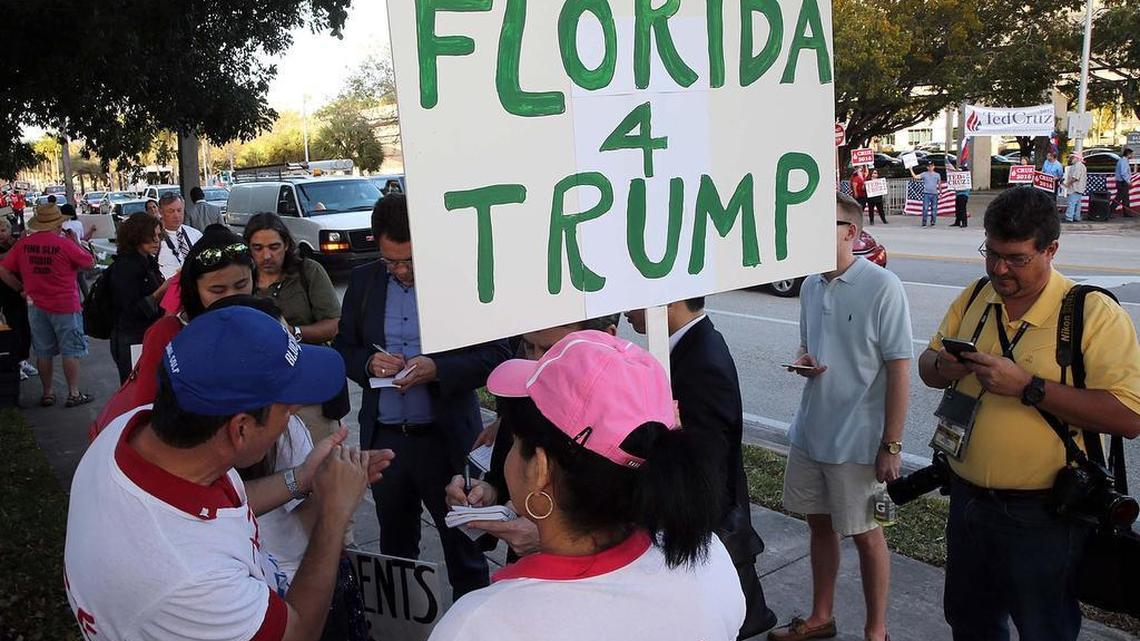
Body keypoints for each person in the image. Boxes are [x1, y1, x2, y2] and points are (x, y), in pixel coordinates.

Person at [64, 306, 396, 641]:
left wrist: (303, 477)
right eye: (287, 407)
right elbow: (296, 632)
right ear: (240, 429)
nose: (294, 413)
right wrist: (334, 515)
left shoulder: (131, 434)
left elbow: (226, 505)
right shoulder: (190, 576)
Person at [917, 186, 1140, 641]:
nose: (1000, 269)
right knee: (970, 622)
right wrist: (946, 365)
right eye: (992, 253)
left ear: (1050, 249)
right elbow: (926, 367)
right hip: (967, 502)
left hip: (1044, 517)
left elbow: (1128, 417)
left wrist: (1029, 387)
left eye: (1016, 259)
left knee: (1045, 628)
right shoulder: (977, 295)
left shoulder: (1090, 312)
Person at [429, 330, 746, 641]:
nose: (507, 454)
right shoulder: (709, 560)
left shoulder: (479, 625)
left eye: (513, 442)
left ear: (540, 469)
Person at [334, 193, 511, 600]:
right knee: (397, 556)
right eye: (390, 261)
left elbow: (498, 353)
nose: (400, 270)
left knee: (465, 551)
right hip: (387, 441)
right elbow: (344, 349)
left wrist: (439, 369)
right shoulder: (363, 283)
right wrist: (367, 365)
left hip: (445, 439)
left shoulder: (460, 281)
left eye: (409, 261)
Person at [771, 192, 912, 641]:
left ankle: (876, 631)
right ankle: (821, 616)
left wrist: (891, 443)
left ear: (850, 231)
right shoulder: (811, 284)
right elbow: (807, 344)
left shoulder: (882, 286)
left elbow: (899, 370)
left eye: (822, 224)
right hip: (810, 431)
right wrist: (804, 360)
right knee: (818, 523)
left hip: (859, 441)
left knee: (867, 533)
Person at [623, 299, 778, 638]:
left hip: (704, 527)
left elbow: (711, 464)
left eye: (633, 302)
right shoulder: (688, 348)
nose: (625, 311)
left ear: (668, 303)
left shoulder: (702, 360)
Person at [445, 315, 621, 559]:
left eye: (553, 350)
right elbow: (501, 483)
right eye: (528, 347)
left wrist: (553, 537)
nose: (537, 362)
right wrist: (484, 500)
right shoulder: (520, 397)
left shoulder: (628, 419)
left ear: (606, 337)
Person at [89, 225, 255, 439]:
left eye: (241, 284)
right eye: (217, 290)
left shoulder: (265, 323)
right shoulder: (166, 335)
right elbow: (144, 412)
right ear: (194, 290)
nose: (232, 297)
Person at [244, 212, 344, 442]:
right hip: (261, 396)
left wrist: (294, 333)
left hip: (307, 392)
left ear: (287, 245)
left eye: (274, 247)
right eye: (257, 248)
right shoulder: (244, 279)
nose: (266, 255)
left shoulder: (308, 272)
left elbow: (334, 323)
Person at [0, 204, 95, 407]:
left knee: (43, 352)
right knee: (71, 350)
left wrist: (20, 288)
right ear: (58, 224)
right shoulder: (64, 244)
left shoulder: (24, 244)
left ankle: (48, 393)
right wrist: (75, 241)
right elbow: (89, 263)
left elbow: (3, 270)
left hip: (35, 305)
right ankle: (73, 393)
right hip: (65, 305)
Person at [108, 213, 170, 383]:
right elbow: (130, 310)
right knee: (135, 386)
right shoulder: (127, 266)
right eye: (152, 236)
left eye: (159, 235)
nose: (157, 240)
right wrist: (161, 291)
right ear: (137, 236)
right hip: (131, 337)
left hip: (142, 335)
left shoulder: (146, 261)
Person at [0, 217, 36, 380]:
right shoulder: (11, 247)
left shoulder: (15, 243)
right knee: (13, 330)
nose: (1, 234)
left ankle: (22, 360)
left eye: (3, 230)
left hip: (23, 293)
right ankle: (14, 363)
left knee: (26, 328)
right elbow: (5, 260)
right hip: (6, 295)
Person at [156, 193, 203, 279]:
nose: (176, 215)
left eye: (179, 210)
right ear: (161, 212)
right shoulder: (155, 240)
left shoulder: (196, 235)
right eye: (171, 211)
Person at [910, 162, 941, 227]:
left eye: (932, 166)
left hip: (934, 193)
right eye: (929, 166)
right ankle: (924, 221)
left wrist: (940, 192)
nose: (930, 167)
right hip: (926, 193)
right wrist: (911, 169)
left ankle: (933, 221)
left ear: (934, 166)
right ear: (927, 167)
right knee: (925, 208)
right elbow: (915, 177)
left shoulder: (937, 175)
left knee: (934, 208)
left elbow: (939, 184)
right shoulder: (924, 174)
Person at [1062, 152, 1087, 223]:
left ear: (1076, 158)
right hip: (1079, 188)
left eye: (1071, 158)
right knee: (1077, 204)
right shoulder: (1080, 165)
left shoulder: (1078, 166)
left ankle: (1069, 217)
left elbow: (1075, 178)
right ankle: (1076, 217)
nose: (1070, 159)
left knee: (1071, 202)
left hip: (1075, 188)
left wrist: (1067, 184)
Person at [1114, 147, 1135, 217]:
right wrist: (1128, 181)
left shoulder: (1123, 161)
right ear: (1128, 154)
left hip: (1122, 182)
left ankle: (1127, 213)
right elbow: (1123, 173)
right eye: (1131, 154)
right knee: (1119, 198)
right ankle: (1109, 211)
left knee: (1125, 198)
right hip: (1122, 182)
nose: (1132, 156)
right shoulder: (1123, 161)